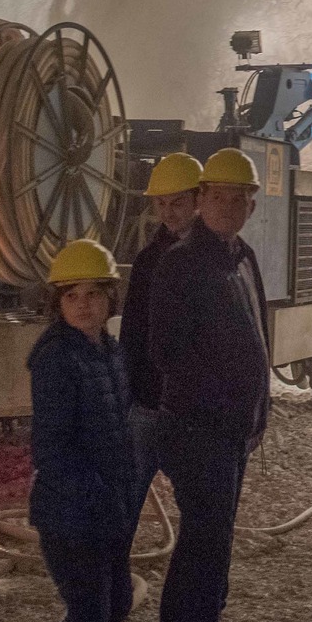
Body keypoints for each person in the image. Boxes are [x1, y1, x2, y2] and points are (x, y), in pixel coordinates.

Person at [126, 146, 276, 622]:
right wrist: (223, 404)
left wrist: (258, 409)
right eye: (218, 197)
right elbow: (167, 351)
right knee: (205, 553)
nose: (228, 207)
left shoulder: (242, 258)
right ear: (202, 199)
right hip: (197, 431)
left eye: (239, 199)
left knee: (203, 549)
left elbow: (257, 338)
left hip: (231, 431)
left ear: (251, 205)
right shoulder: (180, 264)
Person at [24, 239, 142, 622]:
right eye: (73, 295)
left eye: (95, 294)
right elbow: (54, 452)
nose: (85, 304)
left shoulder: (107, 352)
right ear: (58, 302)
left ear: (109, 298)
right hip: (73, 517)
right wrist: (99, 498)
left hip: (105, 511)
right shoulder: (56, 360)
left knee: (114, 603)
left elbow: (116, 431)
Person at [119, 152, 202, 507]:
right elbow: (133, 332)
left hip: (191, 408)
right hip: (151, 402)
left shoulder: (212, 259)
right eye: (162, 203)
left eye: (177, 202)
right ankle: (112, 563)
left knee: (198, 512)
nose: (168, 212)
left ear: (198, 200)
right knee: (125, 501)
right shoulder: (148, 260)